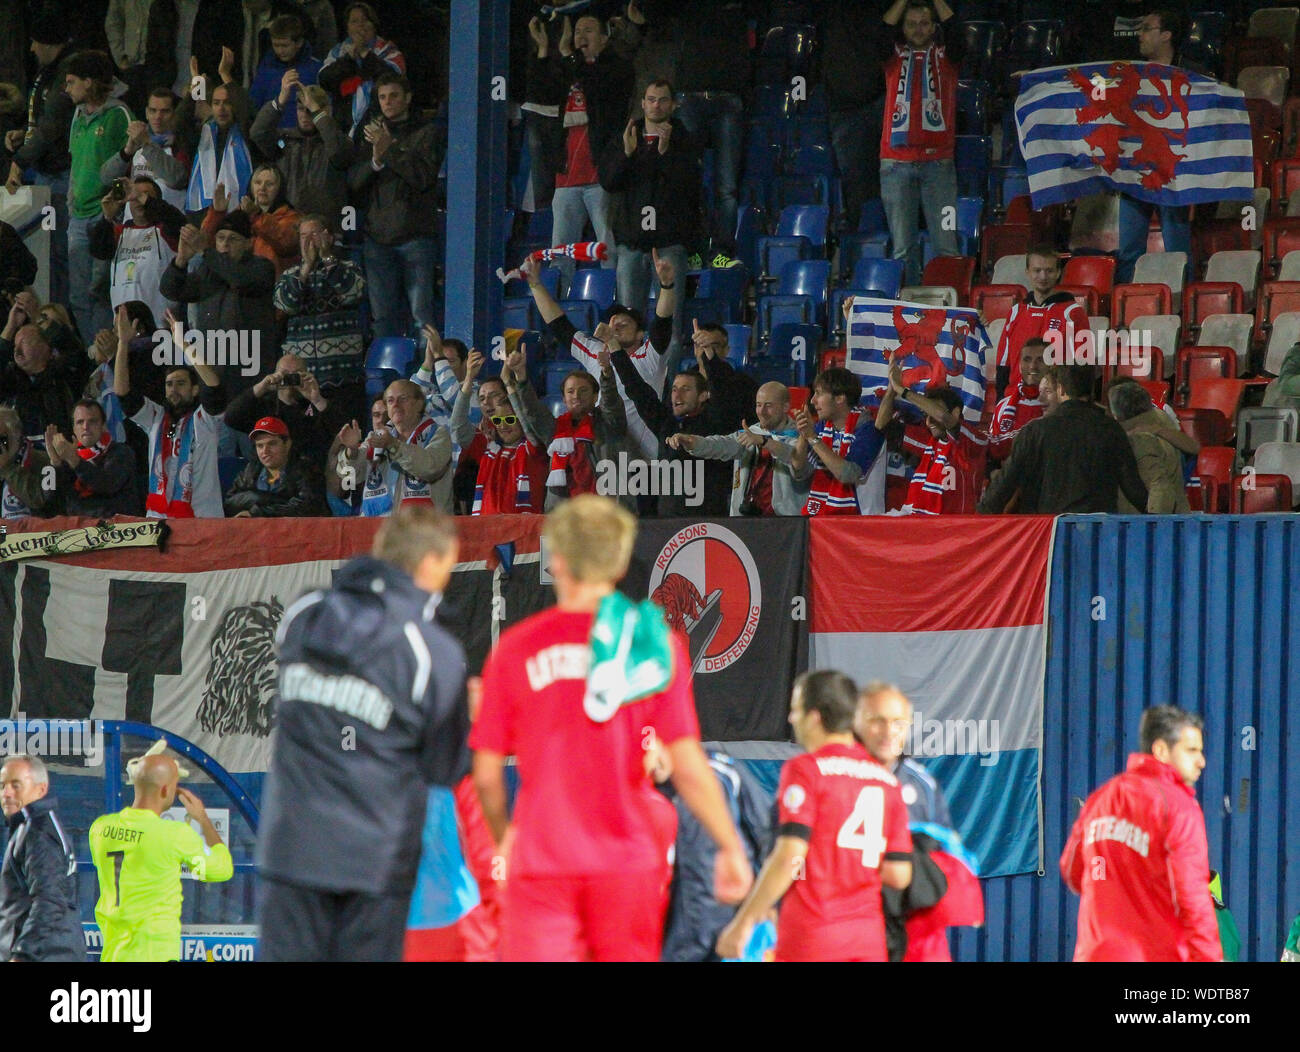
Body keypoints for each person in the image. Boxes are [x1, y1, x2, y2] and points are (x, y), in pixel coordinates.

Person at [471, 495, 754, 961]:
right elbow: (686, 763)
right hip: (627, 860)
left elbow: (486, 777)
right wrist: (731, 845)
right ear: (620, 562)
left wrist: (506, 839)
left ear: (556, 560)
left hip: (542, 857)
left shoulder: (517, 648)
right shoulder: (654, 642)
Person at [258, 505, 468, 961]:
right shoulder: (434, 652)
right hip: (375, 861)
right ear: (434, 561)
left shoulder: (303, 613)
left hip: (290, 848)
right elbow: (444, 768)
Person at [715, 669, 913, 962]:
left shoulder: (806, 769)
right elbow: (899, 875)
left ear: (815, 717)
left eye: (796, 710)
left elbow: (790, 856)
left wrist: (743, 923)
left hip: (813, 936)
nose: (791, 719)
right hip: (868, 940)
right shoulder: (886, 781)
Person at [1060, 705, 1222, 961]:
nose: (1201, 761)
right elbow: (1192, 899)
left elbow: (1072, 872)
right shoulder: (1178, 807)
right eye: (1191, 750)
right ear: (1160, 750)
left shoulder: (1100, 799)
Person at [522, 251, 676, 463]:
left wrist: (667, 287)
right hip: (603, 456)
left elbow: (662, 323)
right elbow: (559, 326)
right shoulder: (595, 351)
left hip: (644, 460)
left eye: (626, 323)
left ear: (641, 334)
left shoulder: (651, 355)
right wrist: (535, 285)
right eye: (614, 321)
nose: (618, 325)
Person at [88, 750, 233, 961]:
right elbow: (222, 869)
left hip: (113, 953)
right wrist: (203, 819)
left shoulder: (100, 828)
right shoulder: (174, 835)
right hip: (154, 953)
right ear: (166, 790)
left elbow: (134, 850)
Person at [856, 681, 962, 962]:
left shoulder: (923, 786)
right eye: (878, 721)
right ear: (857, 723)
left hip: (912, 930)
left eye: (898, 723)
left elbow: (947, 859)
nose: (888, 731)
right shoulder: (836, 778)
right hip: (853, 927)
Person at [527, 13, 629, 294]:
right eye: (577, 31)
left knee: (607, 249)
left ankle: (618, 308)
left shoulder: (615, 68)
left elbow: (598, 88)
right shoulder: (568, 68)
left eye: (588, 30)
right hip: (566, 178)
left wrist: (569, 57)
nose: (580, 37)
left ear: (605, 39)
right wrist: (544, 51)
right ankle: (562, 313)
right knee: (560, 254)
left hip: (600, 176)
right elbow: (539, 94)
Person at [611, 322, 755, 516]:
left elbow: (721, 391)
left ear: (704, 395)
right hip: (669, 524)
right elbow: (637, 390)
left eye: (686, 390)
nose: (677, 396)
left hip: (710, 521)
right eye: (674, 389)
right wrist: (614, 348)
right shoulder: (666, 423)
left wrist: (709, 356)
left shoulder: (715, 421)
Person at [600, 79, 699, 341]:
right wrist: (627, 154)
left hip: (669, 243)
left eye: (663, 99)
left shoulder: (684, 140)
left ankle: (670, 384)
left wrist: (665, 154)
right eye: (651, 99)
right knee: (626, 327)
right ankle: (630, 381)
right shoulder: (626, 137)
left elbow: (689, 189)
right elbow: (609, 182)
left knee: (672, 326)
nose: (656, 105)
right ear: (643, 103)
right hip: (631, 244)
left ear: (674, 105)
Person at [347, 71, 443, 339]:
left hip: (416, 237)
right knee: (383, 320)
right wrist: (376, 161)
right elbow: (353, 182)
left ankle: (427, 378)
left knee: (421, 317)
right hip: (377, 239)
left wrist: (388, 149)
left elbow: (422, 178)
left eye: (393, 96)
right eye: (382, 97)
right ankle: (387, 379)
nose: (387, 102)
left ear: (408, 98)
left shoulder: (427, 132)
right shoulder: (370, 135)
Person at [979, 364, 1150, 514]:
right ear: (1091, 389)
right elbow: (1134, 488)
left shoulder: (1034, 432)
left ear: (1060, 389)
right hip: (1098, 536)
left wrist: (978, 521)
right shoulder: (1111, 429)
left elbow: (1003, 487)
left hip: (1046, 534)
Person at [879, 0, 961, 286]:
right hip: (895, 163)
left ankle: (950, 311)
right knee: (902, 249)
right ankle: (908, 317)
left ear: (934, 26)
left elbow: (958, 31)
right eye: (911, 24)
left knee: (946, 245)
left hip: (938, 164)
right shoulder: (892, 56)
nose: (917, 29)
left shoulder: (946, 56)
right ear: (903, 27)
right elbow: (881, 31)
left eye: (924, 23)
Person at [116, 311, 228, 518]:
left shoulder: (205, 420)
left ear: (195, 389)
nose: (173, 389)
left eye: (181, 383)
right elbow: (123, 394)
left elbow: (214, 388)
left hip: (202, 519)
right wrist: (123, 343)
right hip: (159, 519)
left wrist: (185, 346)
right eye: (169, 384)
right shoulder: (156, 418)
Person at [159, 213, 277, 397]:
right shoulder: (207, 272)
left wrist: (206, 251)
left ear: (248, 243)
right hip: (215, 372)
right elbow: (171, 290)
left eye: (233, 238)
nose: (225, 243)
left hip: (252, 370)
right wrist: (181, 260)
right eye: (220, 238)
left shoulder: (261, 268)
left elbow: (239, 278)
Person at [504, 339, 632, 509]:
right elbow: (533, 412)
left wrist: (607, 372)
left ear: (595, 397)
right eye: (570, 391)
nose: (576, 396)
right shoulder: (555, 429)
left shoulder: (609, 423)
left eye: (584, 390)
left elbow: (611, 402)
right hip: (564, 518)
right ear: (564, 399)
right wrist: (521, 376)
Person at [1114, 11, 1191, 284]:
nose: (1140, 34)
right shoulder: (1129, 73)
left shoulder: (1192, 75)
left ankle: (1183, 306)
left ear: (1166, 34)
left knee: (1178, 250)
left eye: (1147, 28)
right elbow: (1091, 86)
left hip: (1172, 174)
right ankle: (1124, 308)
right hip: (1135, 171)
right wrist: (1042, 80)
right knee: (1128, 251)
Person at [3, 15, 75, 306]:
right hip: (47, 173)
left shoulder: (66, 72)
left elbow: (53, 126)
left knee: (61, 252)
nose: (31, 48)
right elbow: (43, 125)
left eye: (35, 41)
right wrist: (25, 134)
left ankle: (66, 322)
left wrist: (20, 160)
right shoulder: (47, 72)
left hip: (62, 175)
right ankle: (54, 315)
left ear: (48, 42)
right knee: (50, 252)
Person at [65, 50, 133, 345]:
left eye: (71, 82)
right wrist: (70, 202)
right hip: (78, 216)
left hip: (104, 217)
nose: (66, 89)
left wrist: (115, 204)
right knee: (78, 296)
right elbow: (75, 164)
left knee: (100, 291)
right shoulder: (78, 117)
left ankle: (107, 360)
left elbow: (131, 162)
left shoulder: (118, 115)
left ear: (89, 82)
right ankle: (94, 355)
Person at [674, 381, 811, 516]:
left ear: (785, 407)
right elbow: (721, 445)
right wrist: (693, 442)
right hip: (745, 522)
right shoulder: (752, 433)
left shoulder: (801, 436)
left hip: (786, 525)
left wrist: (765, 442)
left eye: (768, 405)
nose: (762, 412)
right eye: (758, 405)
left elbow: (796, 460)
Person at [0, 754, 83, 962]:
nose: (6, 793)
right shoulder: (31, 826)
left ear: (41, 789)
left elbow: (50, 900)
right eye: (2, 785)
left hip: (44, 956)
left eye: (16, 785)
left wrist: (22, 954)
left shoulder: (39, 833)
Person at [271, 216, 366, 396]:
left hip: (344, 376)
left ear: (328, 238)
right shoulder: (290, 275)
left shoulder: (348, 267)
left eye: (314, 234)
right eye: (303, 236)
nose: (308, 240)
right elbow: (286, 305)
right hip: (301, 381)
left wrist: (328, 260)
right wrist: (305, 268)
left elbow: (354, 292)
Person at [450, 349, 549, 515]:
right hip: (489, 531)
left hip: (523, 531)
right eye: (497, 421)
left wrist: (508, 382)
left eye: (510, 419)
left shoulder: (534, 446)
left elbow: (527, 420)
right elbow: (458, 428)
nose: (503, 425)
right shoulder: (487, 445)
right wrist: (468, 380)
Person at [336, 379, 453, 514]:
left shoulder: (437, 434)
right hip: (378, 529)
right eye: (390, 401)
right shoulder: (377, 437)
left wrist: (393, 445)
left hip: (424, 530)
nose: (396, 405)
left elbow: (430, 468)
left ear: (419, 404)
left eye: (403, 399)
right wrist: (352, 450)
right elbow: (349, 477)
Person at [889, 361, 988, 515]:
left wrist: (902, 391)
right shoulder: (928, 441)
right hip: (925, 529)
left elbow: (942, 416)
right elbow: (883, 426)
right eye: (926, 415)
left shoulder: (970, 439)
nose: (929, 421)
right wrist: (891, 389)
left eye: (932, 412)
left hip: (958, 531)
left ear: (955, 413)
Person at [89, 174, 185, 330]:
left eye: (145, 195)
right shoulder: (120, 231)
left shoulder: (165, 230)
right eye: (132, 196)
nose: (138, 200)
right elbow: (98, 251)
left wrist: (142, 197)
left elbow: (176, 221)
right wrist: (107, 217)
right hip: (124, 331)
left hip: (162, 328)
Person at [223, 352, 348, 471]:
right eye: (285, 373)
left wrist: (316, 399)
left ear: (306, 375)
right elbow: (231, 417)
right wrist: (262, 386)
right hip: (268, 475)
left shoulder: (316, 404)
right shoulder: (264, 405)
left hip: (308, 475)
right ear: (275, 375)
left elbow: (343, 432)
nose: (290, 378)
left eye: (296, 373)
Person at [994, 246, 1091, 400]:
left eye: (1049, 271)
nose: (1043, 276)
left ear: (1058, 273)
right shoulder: (1016, 312)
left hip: (1054, 403)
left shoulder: (1073, 312)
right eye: (1037, 270)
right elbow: (1003, 365)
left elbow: (1083, 365)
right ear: (1027, 272)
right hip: (1016, 400)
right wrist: (1001, 401)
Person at [793, 366, 888, 515]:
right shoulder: (822, 427)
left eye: (818, 394)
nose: (812, 401)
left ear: (839, 398)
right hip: (826, 520)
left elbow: (848, 474)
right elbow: (800, 471)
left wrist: (812, 437)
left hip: (862, 524)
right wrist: (803, 435)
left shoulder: (869, 430)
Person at [250, 82, 354, 219]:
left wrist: (319, 115)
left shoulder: (338, 141)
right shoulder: (285, 140)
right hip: (287, 221)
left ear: (325, 111)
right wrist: (279, 102)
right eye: (300, 109)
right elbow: (257, 133)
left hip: (325, 224)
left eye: (310, 110)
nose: (305, 115)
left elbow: (339, 153)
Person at [317, 2, 405, 136]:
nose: (360, 25)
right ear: (347, 27)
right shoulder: (337, 52)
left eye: (365, 20)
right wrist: (348, 60)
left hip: (380, 126)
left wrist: (366, 54)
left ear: (374, 25)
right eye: (354, 21)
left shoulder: (389, 51)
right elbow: (324, 80)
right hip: (343, 128)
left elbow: (394, 80)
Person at [182, 51, 254, 213]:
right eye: (216, 103)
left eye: (227, 103)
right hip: (202, 210)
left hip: (237, 212)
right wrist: (197, 83)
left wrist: (225, 74)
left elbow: (246, 109)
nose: (221, 108)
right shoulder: (202, 133)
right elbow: (185, 121)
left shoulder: (245, 132)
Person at [0, 299, 82, 440]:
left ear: (47, 348)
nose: (17, 349)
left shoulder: (64, 375)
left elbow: (72, 349)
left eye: (25, 342)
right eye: (15, 344)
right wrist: (10, 326)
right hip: (18, 456)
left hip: (58, 454)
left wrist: (37, 316)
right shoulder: (11, 378)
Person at [98, 89, 191, 213]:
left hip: (167, 224)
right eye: (153, 111)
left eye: (165, 111)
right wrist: (126, 152)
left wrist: (147, 144)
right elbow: (108, 179)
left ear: (174, 114)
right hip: (133, 225)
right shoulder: (135, 146)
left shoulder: (181, 144)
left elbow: (177, 179)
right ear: (146, 113)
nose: (158, 117)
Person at [46, 398, 141, 517]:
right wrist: (54, 463)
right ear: (74, 429)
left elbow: (107, 484)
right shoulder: (67, 455)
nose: (85, 427)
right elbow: (48, 499)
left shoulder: (121, 452)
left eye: (92, 421)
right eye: (80, 422)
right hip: (78, 530)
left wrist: (74, 460)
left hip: (116, 529)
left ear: (103, 425)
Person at [201, 164, 301, 277]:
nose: (262, 188)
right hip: (232, 279)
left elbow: (285, 243)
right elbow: (205, 244)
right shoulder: (239, 213)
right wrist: (217, 214)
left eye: (269, 184)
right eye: (258, 183)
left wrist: (257, 215)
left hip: (270, 283)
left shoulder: (291, 217)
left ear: (279, 189)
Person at [1109, 380, 1191, 513]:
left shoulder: (1141, 440)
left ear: (1117, 415)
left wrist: (1150, 528)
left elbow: (1160, 488)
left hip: (1152, 527)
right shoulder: (1159, 423)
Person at [224, 415, 325, 517]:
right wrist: (258, 498)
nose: (265, 451)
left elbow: (308, 506)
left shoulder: (305, 469)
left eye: (272, 444)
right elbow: (229, 503)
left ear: (287, 444)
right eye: (260, 445)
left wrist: (258, 512)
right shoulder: (252, 470)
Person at [249, 14, 322, 130]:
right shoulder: (265, 68)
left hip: (305, 137)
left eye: (284, 45)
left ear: (299, 43)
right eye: (276, 45)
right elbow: (253, 104)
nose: (280, 51)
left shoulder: (315, 69)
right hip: (272, 137)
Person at [988, 337, 1047, 464]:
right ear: (1019, 366)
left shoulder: (1058, 406)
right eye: (1027, 360)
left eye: (1040, 360)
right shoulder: (1003, 406)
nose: (1033, 366)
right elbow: (993, 453)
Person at [0, 406, 53, 518]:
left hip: (33, 533)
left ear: (16, 434)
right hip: (4, 531)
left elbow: (40, 500)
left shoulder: (46, 462)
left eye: (2, 438)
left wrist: (8, 468)